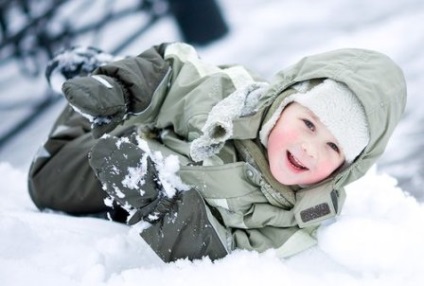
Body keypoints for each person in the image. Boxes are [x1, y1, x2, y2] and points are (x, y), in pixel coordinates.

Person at [28, 42, 407, 262]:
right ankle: (97, 82)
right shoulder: (232, 100)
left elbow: (222, 251)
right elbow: (173, 68)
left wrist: (160, 204)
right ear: (283, 105)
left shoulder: (295, 219)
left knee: (47, 183)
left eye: (333, 147)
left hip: (143, 181)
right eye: (309, 124)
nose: (310, 148)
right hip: (147, 122)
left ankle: (95, 102)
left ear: (346, 168)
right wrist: (120, 90)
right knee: (102, 117)